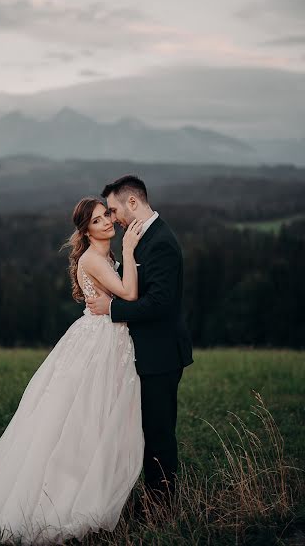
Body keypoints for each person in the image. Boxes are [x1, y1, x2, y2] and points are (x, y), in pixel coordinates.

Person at [0, 197, 145, 545]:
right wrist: (130, 249)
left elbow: (115, 300)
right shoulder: (93, 258)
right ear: (85, 230)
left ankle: (97, 487)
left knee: (101, 417)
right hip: (98, 343)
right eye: (97, 220)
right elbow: (129, 294)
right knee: (83, 417)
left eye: (107, 217)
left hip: (108, 337)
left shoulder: (105, 255)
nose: (106, 223)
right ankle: (65, 498)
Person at [86, 175, 193, 514]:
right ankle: (152, 497)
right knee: (146, 429)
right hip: (147, 352)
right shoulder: (140, 237)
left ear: (133, 203)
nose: (113, 218)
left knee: (159, 431)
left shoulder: (160, 241)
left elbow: (160, 303)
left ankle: (162, 507)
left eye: (114, 210)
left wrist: (113, 309)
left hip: (161, 354)